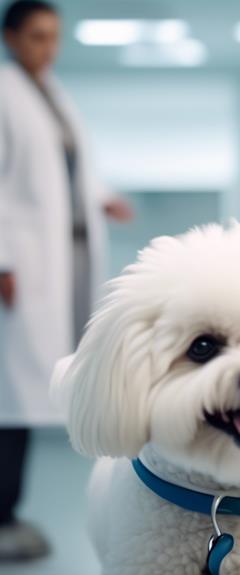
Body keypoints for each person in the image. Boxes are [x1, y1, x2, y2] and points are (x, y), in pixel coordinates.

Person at [0, 0, 131, 560]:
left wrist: (100, 200)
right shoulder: (4, 93)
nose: (46, 48)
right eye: (36, 37)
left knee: (23, 394)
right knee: (12, 396)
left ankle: (7, 512)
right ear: (10, 37)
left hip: (60, 259)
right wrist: (2, 259)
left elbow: (70, 171)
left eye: (54, 37)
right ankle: (3, 513)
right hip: (21, 265)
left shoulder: (51, 94)